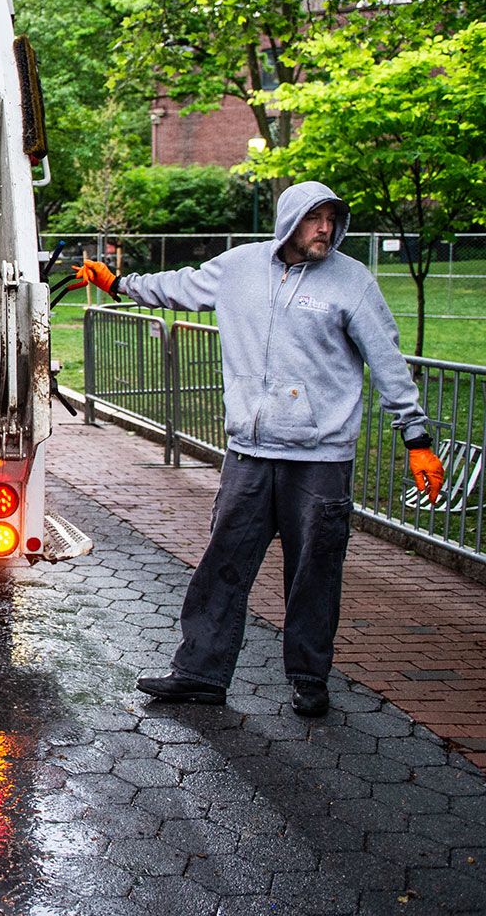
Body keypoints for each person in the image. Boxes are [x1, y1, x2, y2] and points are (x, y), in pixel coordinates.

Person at [70, 180, 447, 718]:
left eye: (332, 219)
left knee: (314, 572)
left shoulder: (351, 282)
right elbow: (180, 286)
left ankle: (309, 678)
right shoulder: (240, 267)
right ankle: (199, 673)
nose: (325, 229)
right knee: (222, 561)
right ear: (289, 219)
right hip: (249, 453)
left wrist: (417, 438)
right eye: (314, 218)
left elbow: (386, 361)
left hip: (320, 461)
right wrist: (118, 283)